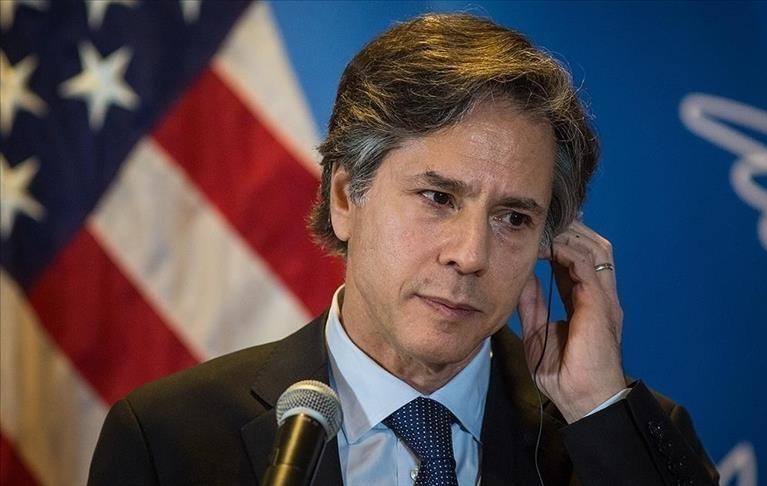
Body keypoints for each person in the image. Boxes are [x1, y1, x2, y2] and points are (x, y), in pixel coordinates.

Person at [89, 13, 719, 486]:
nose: (470, 255)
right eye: (438, 197)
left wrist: (596, 407)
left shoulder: (618, 436)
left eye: (513, 217)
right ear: (345, 198)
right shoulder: (168, 439)